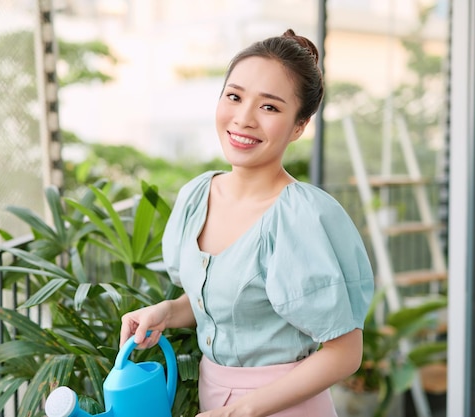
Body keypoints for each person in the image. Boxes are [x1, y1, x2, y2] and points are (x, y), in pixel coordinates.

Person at [120, 29, 374, 417]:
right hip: (215, 398)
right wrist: (168, 312)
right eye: (234, 97)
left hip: (285, 406)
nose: (243, 118)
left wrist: (240, 410)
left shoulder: (300, 217)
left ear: (299, 126)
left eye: (269, 107)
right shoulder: (196, 196)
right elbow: (228, 300)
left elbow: (344, 353)